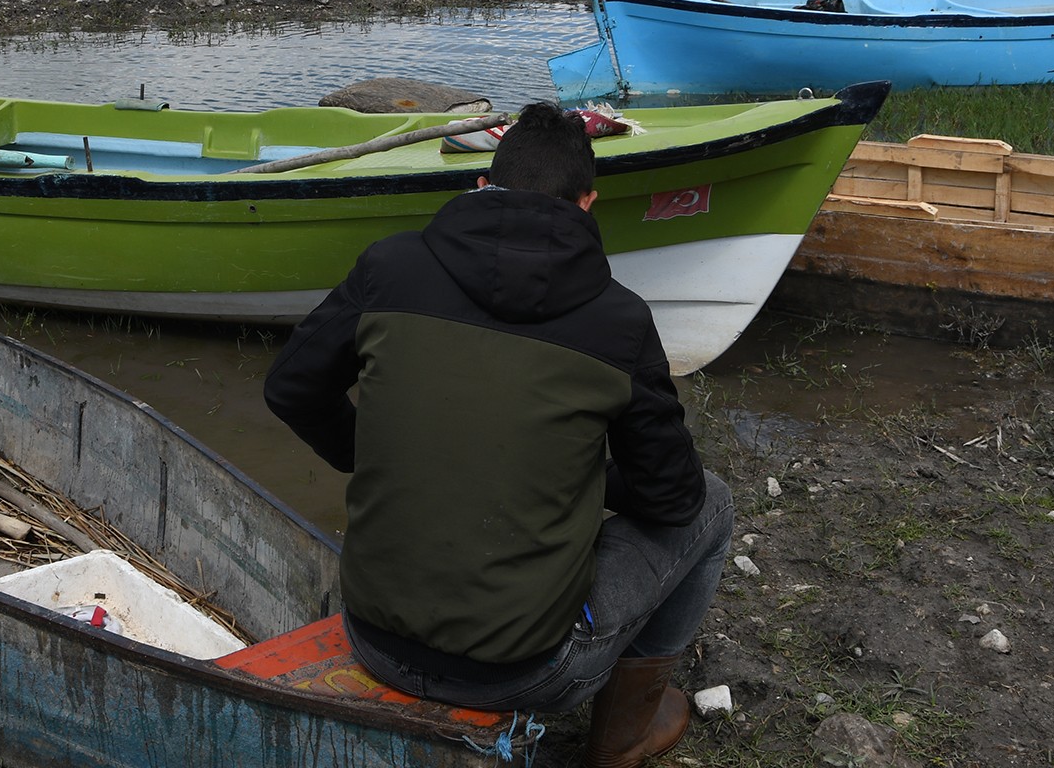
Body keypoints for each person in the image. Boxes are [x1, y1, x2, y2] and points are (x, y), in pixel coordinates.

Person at [264, 102, 734, 767]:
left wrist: (364, 449)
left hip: (371, 638)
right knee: (714, 503)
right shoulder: (619, 320)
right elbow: (674, 500)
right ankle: (624, 735)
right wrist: (587, 480)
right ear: (588, 204)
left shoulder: (390, 268)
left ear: (481, 188)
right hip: (530, 673)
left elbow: (289, 387)